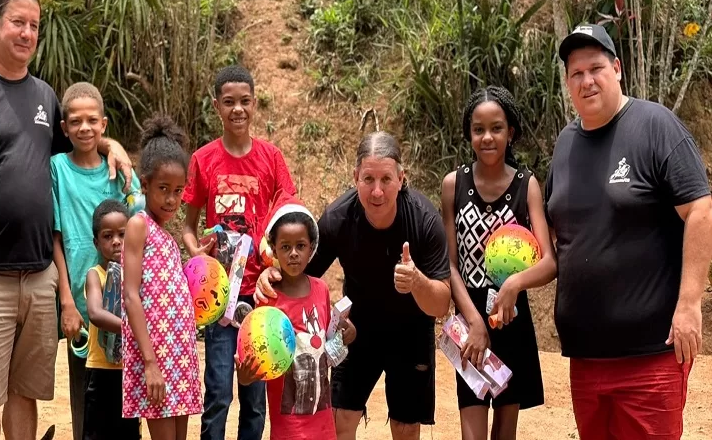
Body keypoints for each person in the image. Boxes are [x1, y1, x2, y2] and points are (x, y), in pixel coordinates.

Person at [0, 0, 132, 440]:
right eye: (17, 23)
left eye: (34, 26)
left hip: (42, 272)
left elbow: (81, 144)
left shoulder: (45, 96)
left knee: (27, 393)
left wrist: (114, 144)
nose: (27, 33)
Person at [546, 23, 712, 440]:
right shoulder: (565, 145)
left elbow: (701, 211)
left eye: (596, 68)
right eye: (576, 73)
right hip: (585, 359)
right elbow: (558, 231)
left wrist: (690, 303)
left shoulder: (656, 127)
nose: (587, 81)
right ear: (567, 83)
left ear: (617, 69)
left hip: (651, 356)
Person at [256, 131, 452, 440]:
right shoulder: (338, 218)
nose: (377, 192)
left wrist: (416, 282)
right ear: (355, 177)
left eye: (386, 180)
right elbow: (301, 269)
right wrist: (270, 276)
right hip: (356, 330)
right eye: (368, 179)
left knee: (405, 426)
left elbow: (441, 304)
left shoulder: (424, 220)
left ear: (402, 178)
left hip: (411, 331)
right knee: (342, 418)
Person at [181, 65, 296, 440]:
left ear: (255, 103)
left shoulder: (271, 159)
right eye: (229, 102)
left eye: (245, 101)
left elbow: (289, 216)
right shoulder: (203, 160)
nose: (237, 110)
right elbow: (187, 223)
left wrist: (279, 263)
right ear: (216, 106)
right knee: (216, 389)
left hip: (262, 292)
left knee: (255, 394)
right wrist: (195, 249)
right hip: (219, 296)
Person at [440, 86, 557, 440]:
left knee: (505, 434)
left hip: (512, 318)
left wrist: (513, 284)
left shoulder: (527, 185)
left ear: (511, 132)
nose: (487, 137)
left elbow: (550, 261)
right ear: (469, 134)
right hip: (469, 321)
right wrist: (474, 321)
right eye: (478, 129)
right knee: (471, 433)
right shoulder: (453, 185)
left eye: (497, 128)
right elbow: (449, 264)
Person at [51, 81, 143, 440]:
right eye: (75, 121)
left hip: (123, 302)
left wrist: (117, 150)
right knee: (84, 397)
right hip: (81, 304)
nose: (84, 128)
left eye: (92, 121)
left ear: (104, 124)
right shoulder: (57, 168)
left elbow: (138, 221)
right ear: (64, 129)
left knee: (124, 397)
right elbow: (55, 237)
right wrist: (67, 301)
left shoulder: (117, 171)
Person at [235, 191, 356, 440]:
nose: (293, 253)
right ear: (274, 250)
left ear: (312, 248)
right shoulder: (267, 300)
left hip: (323, 423)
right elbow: (256, 364)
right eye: (285, 247)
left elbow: (325, 352)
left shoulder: (321, 290)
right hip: (288, 427)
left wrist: (346, 336)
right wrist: (245, 377)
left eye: (300, 246)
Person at [121, 115, 202, 439]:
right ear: (144, 184)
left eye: (178, 191)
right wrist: (150, 363)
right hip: (154, 357)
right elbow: (130, 295)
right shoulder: (139, 225)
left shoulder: (167, 238)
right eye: (163, 189)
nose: (171, 199)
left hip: (179, 356)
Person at [83, 200, 141, 440]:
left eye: (122, 234)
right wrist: (134, 328)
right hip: (101, 370)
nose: (116, 241)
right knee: (98, 433)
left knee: (128, 433)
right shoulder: (95, 275)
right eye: (108, 236)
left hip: (129, 370)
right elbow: (96, 313)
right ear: (97, 242)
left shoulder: (136, 279)